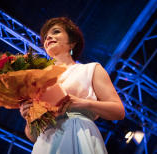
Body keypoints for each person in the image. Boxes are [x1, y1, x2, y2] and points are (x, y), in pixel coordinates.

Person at [19, 17, 125, 154]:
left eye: (56, 32)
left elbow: (119, 111)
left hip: (79, 133)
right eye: (45, 37)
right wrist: (29, 118)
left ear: (72, 42)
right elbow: (33, 137)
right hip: (47, 144)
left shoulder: (91, 69)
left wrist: (83, 103)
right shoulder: (39, 82)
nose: (48, 37)